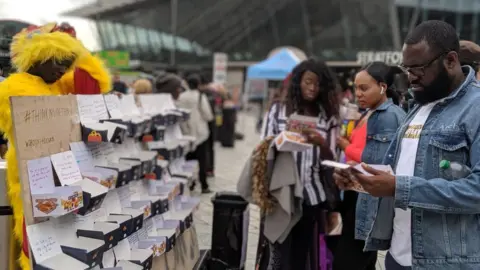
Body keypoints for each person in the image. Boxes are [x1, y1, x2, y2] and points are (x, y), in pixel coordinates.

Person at [334, 20, 480, 270]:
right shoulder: (418, 106)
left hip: (446, 262)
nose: (410, 76)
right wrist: (363, 179)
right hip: (397, 258)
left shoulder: (475, 109)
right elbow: (404, 173)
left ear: (451, 60)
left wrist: (399, 188)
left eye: (419, 68)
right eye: (407, 67)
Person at [0, 22, 111, 269]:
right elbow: (36, 132)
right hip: (36, 178)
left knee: (56, 240)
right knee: (36, 240)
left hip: (61, 175)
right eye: (58, 59)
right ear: (39, 56)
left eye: (67, 62)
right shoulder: (15, 85)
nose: (62, 68)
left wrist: (77, 48)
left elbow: (92, 85)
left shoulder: (54, 85)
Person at [259, 58, 340, 269]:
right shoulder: (278, 111)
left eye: (318, 84)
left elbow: (332, 161)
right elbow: (263, 150)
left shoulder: (327, 117)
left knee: (301, 256)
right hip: (280, 194)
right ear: (298, 82)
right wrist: (281, 140)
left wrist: (321, 143)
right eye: (308, 82)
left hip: (311, 196)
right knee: (277, 255)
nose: (313, 88)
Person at [333, 62, 406, 270]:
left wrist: (349, 155)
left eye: (364, 88)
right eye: (356, 88)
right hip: (357, 193)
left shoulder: (389, 116)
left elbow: (381, 165)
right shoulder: (372, 113)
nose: (358, 94)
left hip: (366, 196)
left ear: (382, 87)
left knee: (350, 261)